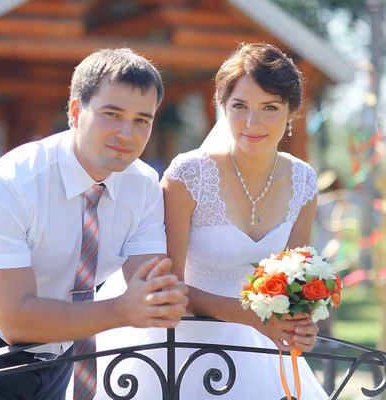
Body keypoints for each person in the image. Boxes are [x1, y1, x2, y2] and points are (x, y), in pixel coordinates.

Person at [0, 48, 189, 400]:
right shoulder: (10, 182)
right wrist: (121, 310)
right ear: (76, 111)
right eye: (112, 114)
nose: (127, 134)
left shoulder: (144, 185)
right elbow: (16, 320)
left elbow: (146, 284)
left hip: (63, 354)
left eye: (142, 120)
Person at [94, 43, 328, 399]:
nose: (252, 123)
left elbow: (292, 283)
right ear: (222, 107)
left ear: (291, 112)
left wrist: (300, 323)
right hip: (177, 343)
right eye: (239, 107)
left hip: (257, 347)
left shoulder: (304, 181)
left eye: (269, 108)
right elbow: (166, 284)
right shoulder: (189, 175)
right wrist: (248, 315)